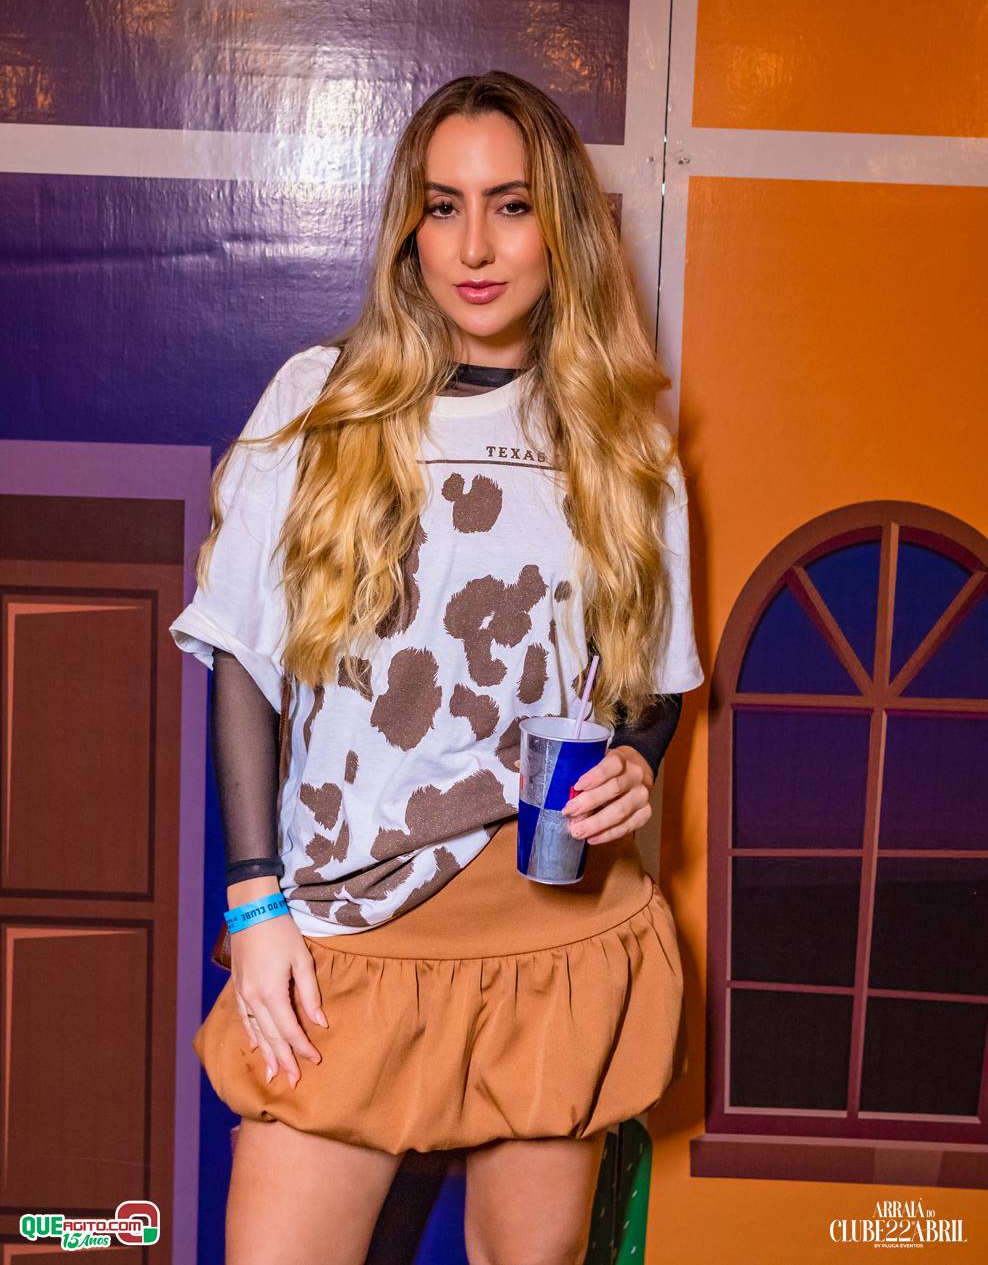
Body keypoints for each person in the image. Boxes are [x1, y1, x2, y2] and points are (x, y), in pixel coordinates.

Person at [169, 69, 704, 1265]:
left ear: (560, 226)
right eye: (442, 206)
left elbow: (648, 688)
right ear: (407, 229)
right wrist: (256, 904)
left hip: (549, 926)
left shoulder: (624, 440)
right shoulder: (319, 401)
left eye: (511, 206)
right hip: (347, 920)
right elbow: (244, 661)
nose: (474, 247)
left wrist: (635, 762)